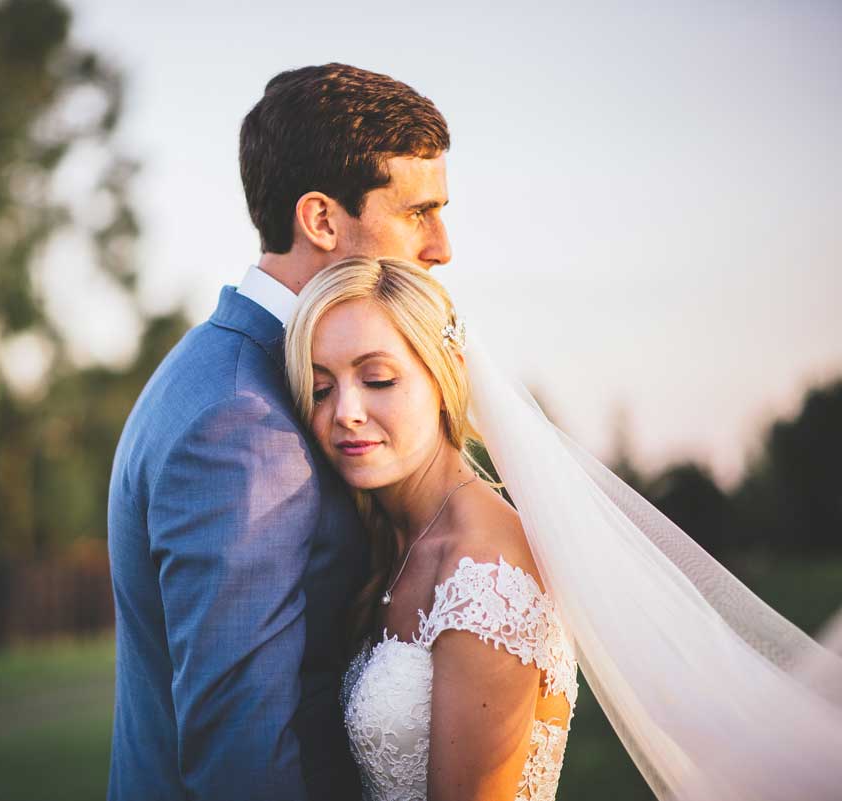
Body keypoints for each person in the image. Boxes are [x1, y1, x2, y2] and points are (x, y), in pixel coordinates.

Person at [283, 256, 842, 801]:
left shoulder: (486, 576)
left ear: (446, 373)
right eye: (323, 387)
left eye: (377, 378)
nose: (345, 411)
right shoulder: (390, 540)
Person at [106, 64, 453, 800]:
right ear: (323, 220)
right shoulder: (242, 422)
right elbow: (242, 760)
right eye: (419, 211)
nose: (441, 245)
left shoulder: (243, 372)